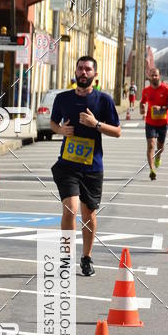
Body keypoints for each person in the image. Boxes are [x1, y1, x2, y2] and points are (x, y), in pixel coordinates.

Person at [49, 55, 121, 277]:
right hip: (67, 165)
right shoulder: (62, 99)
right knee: (70, 208)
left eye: (88, 69)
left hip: (92, 167)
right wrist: (61, 131)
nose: (83, 72)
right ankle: (65, 258)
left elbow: (117, 131)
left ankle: (87, 257)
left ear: (95, 75)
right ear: (75, 71)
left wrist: (96, 124)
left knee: (89, 214)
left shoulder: (104, 101)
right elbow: (53, 123)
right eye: (80, 68)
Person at [139, 67, 168, 179]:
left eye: (156, 75)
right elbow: (142, 102)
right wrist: (142, 108)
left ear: (159, 76)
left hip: (163, 122)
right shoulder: (146, 91)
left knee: (160, 147)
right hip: (150, 122)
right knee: (151, 146)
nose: (154, 77)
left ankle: (158, 156)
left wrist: (163, 108)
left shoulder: (167, 89)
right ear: (149, 76)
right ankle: (152, 169)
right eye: (152, 75)